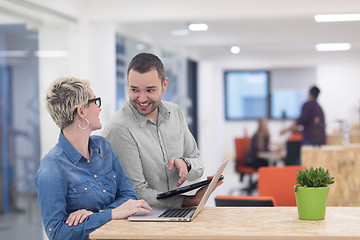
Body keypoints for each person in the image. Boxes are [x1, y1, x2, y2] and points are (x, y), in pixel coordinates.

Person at [35, 76, 151, 240]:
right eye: (95, 101)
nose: (99, 108)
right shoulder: (51, 168)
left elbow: (130, 197)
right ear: (81, 112)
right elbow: (57, 233)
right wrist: (112, 214)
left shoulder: (103, 147)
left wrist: (97, 216)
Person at [102, 53, 214, 208]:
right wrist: (189, 201)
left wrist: (186, 164)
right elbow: (137, 193)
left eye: (150, 90)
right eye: (134, 90)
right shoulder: (120, 128)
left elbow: (197, 162)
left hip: (172, 214)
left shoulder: (175, 112)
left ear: (164, 84)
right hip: (142, 218)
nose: (141, 98)